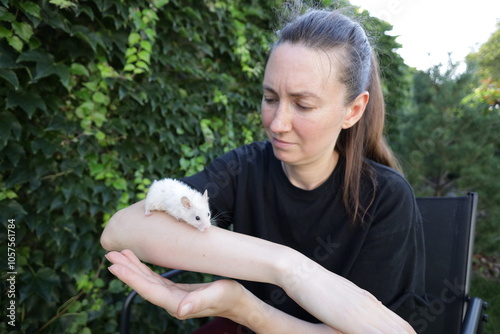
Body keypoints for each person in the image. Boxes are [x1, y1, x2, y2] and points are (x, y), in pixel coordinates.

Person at [102, 6, 427, 334]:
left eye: (303, 105)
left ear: (353, 110)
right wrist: (289, 268)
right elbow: (121, 229)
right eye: (270, 98)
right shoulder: (244, 168)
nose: (276, 122)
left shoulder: (385, 198)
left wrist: (247, 309)